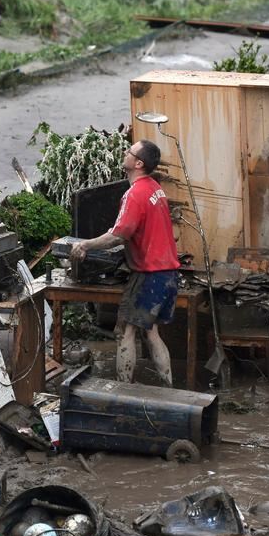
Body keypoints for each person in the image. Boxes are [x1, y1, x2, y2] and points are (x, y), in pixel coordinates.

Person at [70, 139, 180, 386]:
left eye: (129, 152)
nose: (124, 152)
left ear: (138, 163)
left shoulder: (135, 194)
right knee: (151, 334)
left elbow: (118, 235)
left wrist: (85, 245)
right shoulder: (155, 188)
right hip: (169, 273)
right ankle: (169, 388)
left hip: (149, 275)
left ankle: (123, 390)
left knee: (124, 332)